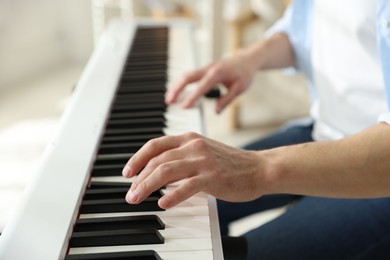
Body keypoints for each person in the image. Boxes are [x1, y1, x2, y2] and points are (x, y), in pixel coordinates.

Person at [122, 0, 390, 259]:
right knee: (177, 204)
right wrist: (248, 58)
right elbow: (307, 28)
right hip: (324, 131)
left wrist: (260, 168)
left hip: (380, 179)